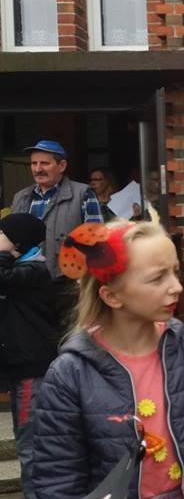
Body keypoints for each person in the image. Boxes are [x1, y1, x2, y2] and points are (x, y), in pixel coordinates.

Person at [31, 220, 184, 498]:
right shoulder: (70, 374)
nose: (176, 287)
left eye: (176, 272)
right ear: (112, 296)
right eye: (157, 278)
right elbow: (58, 481)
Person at [11, 139, 103, 323]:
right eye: (34, 163)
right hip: (28, 286)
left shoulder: (82, 194)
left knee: (66, 335)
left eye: (45, 163)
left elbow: (97, 243)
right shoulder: (21, 197)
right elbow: (10, 241)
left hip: (67, 288)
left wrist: (85, 284)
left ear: (62, 166)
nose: (38, 169)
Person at [0, 214, 59, 499]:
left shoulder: (33, 270)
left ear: (18, 243)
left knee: (29, 443)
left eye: (2, 235)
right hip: (19, 366)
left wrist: (3, 254)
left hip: (31, 370)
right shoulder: (19, 268)